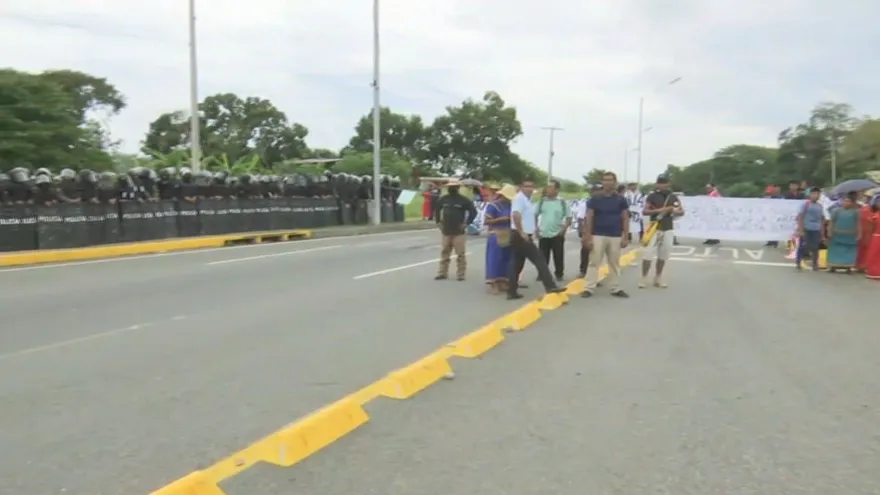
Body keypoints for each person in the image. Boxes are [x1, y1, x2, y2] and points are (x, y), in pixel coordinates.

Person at [506, 180, 565, 300]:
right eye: (527, 186)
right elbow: (516, 215)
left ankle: (511, 290)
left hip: (522, 234)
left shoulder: (526, 200)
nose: (530, 189)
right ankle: (550, 286)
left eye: (532, 186)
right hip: (520, 235)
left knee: (517, 264)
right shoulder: (519, 198)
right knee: (539, 259)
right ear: (521, 187)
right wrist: (521, 232)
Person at [581, 172, 630, 298]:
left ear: (615, 182)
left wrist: (625, 236)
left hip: (615, 234)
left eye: (610, 180)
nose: (607, 182)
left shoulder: (621, 199)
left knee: (614, 263)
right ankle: (589, 288)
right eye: (605, 180)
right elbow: (589, 217)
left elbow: (625, 218)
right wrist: (587, 235)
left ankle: (615, 288)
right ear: (602, 182)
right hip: (598, 234)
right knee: (594, 262)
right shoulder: (595, 198)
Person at [640, 175, 684, 288]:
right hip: (654, 227)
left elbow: (681, 211)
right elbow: (645, 211)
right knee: (648, 254)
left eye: (665, 182)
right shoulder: (652, 196)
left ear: (668, 184)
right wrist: (661, 210)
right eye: (660, 182)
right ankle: (644, 277)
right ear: (657, 184)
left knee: (663, 254)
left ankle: (658, 277)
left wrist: (674, 211)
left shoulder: (673, 197)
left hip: (668, 227)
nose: (662, 185)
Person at [434, 179, 477, 281]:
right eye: (450, 187)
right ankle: (442, 273)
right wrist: (438, 222)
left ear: (458, 188)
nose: (451, 189)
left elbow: (473, 212)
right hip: (446, 230)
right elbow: (437, 210)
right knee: (445, 252)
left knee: (460, 254)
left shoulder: (464, 200)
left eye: (453, 187)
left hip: (459, 232)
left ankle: (461, 274)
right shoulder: (443, 199)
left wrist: (466, 223)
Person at [536, 180, 571, 281]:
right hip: (544, 233)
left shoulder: (562, 202)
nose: (548, 189)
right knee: (542, 256)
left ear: (557, 189)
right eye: (547, 187)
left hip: (557, 233)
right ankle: (542, 274)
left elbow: (569, 217)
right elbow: (535, 214)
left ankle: (559, 274)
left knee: (558, 255)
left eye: (551, 187)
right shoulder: (542, 201)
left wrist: (564, 229)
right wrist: (536, 229)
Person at [484, 184, 516, 294]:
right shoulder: (493, 206)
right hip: (496, 233)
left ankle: (503, 281)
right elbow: (487, 221)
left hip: (508, 233)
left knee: (506, 259)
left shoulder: (511, 206)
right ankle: (493, 283)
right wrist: (502, 219)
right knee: (494, 259)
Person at [826, 191, 861, 273]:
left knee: (849, 252)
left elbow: (858, 224)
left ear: (852, 203)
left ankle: (848, 267)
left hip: (850, 235)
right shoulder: (836, 211)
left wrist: (859, 234)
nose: (846, 203)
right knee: (835, 251)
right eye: (844, 201)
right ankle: (833, 266)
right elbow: (831, 222)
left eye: (848, 201)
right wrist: (829, 232)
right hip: (837, 234)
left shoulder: (855, 212)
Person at [795, 188, 825, 271]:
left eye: (818, 194)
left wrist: (822, 233)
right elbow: (800, 217)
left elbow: (821, 219)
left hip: (816, 229)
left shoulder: (820, 206)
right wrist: (800, 230)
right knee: (804, 246)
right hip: (806, 228)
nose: (816, 196)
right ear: (810, 195)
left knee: (815, 247)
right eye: (814, 194)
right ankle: (798, 261)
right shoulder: (805, 204)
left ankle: (815, 264)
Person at [864, 196, 880, 279]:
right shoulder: (875, 216)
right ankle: (874, 272)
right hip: (876, 238)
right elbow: (871, 229)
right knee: (874, 255)